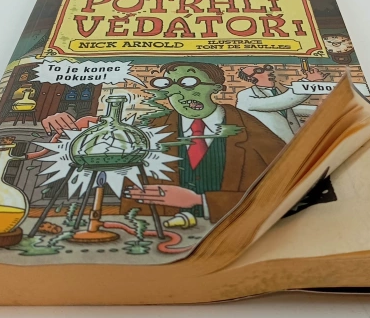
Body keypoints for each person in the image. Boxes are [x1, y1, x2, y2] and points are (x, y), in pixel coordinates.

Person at [121, 61, 285, 224]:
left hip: (235, 228)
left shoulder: (248, 127)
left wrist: (202, 201)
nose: (178, 94)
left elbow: (286, 185)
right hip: (167, 231)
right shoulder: (151, 130)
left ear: (216, 88)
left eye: (188, 84)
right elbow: (132, 197)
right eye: (168, 85)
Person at [235, 63, 327, 142]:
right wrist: (308, 81)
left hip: (291, 141)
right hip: (267, 145)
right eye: (259, 71)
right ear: (251, 78)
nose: (268, 71)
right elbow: (282, 102)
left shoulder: (276, 92)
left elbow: (287, 109)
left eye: (266, 69)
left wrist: (322, 108)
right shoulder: (246, 95)